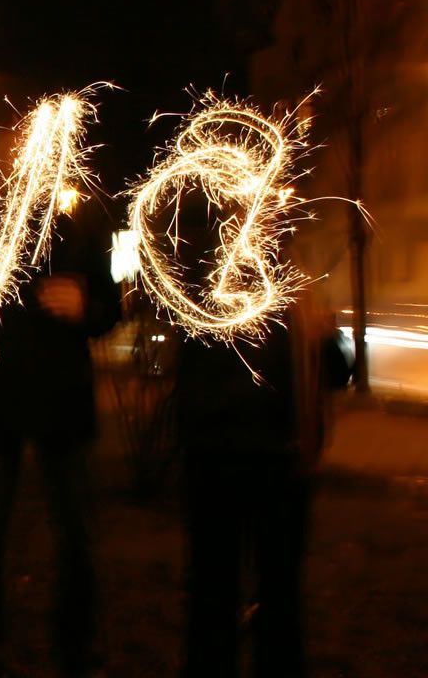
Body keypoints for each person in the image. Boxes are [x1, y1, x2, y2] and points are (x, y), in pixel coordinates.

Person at [0, 198, 120, 678]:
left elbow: (111, 309)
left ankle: (76, 647)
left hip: (62, 406)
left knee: (76, 535)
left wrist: (85, 307)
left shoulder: (79, 229)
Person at [175, 287, 350, 678]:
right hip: (219, 459)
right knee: (215, 592)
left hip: (282, 463)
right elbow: (193, 379)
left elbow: (338, 372)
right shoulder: (209, 287)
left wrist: (329, 337)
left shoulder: (299, 292)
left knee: (278, 594)